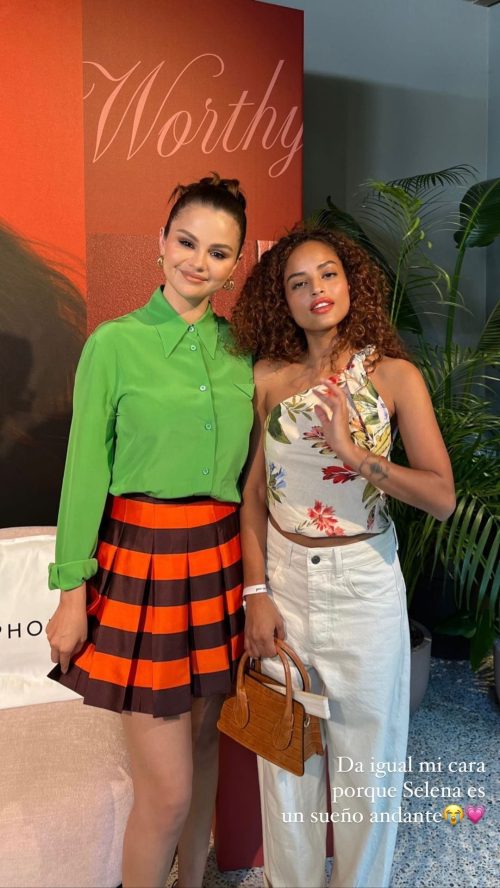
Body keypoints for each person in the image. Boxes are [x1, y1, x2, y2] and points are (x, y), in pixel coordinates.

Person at [45, 174, 254, 888]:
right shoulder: (114, 344)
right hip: (141, 563)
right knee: (165, 794)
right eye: (187, 242)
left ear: (236, 264)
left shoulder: (243, 351)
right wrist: (71, 591)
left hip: (220, 562)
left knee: (204, 752)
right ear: (160, 244)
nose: (199, 261)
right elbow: (83, 473)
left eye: (218, 252)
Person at [230, 227, 455, 888]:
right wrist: (256, 593)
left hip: (363, 584)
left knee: (367, 773)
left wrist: (356, 455)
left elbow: (441, 497)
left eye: (327, 274)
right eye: (298, 283)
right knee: (285, 766)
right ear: (284, 300)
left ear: (351, 282)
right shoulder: (269, 379)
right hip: (285, 584)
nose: (316, 291)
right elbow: (253, 496)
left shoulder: (393, 376)